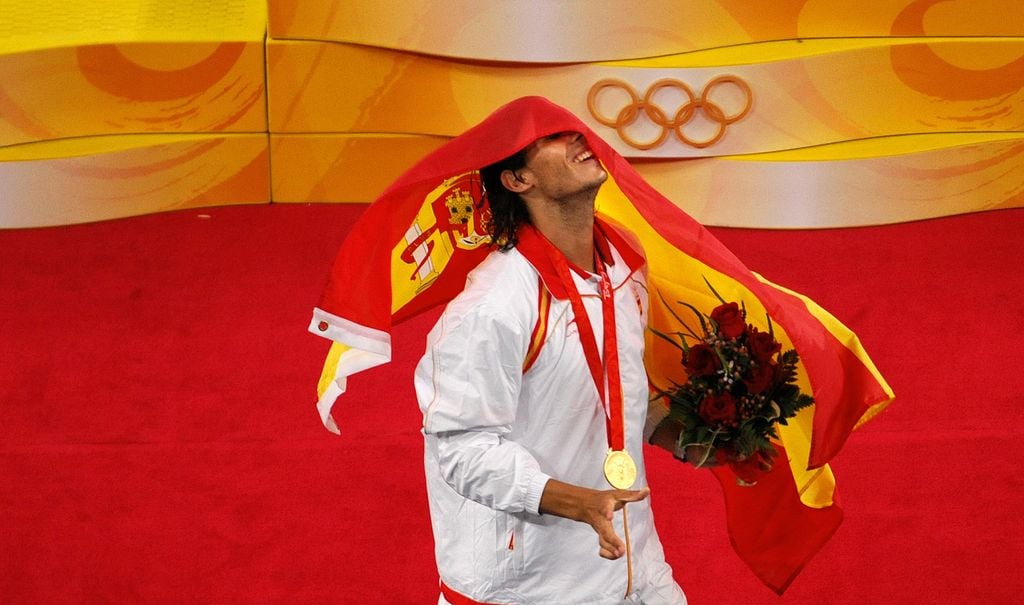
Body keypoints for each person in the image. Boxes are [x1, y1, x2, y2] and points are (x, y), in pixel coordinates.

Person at [414, 130, 688, 604]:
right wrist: (577, 502)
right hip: (530, 584)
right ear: (518, 178)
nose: (578, 139)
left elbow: (618, 393)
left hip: (634, 566)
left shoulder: (623, 263)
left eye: (573, 129)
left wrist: (701, 444)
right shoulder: (491, 308)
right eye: (552, 139)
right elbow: (461, 450)